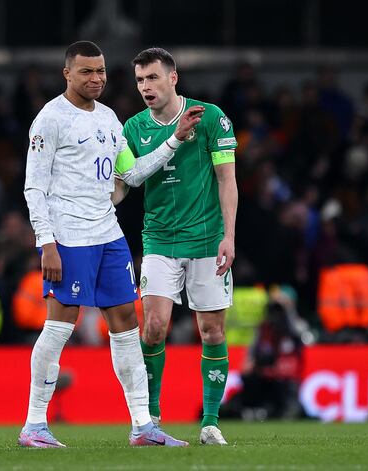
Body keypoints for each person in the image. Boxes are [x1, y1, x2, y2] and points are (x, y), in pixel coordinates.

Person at [19, 41, 202, 448]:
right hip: (68, 237)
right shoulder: (50, 119)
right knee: (58, 327)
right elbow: (34, 185)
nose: (96, 78)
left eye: (100, 71)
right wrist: (45, 242)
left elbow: (132, 174)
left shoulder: (109, 118)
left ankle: (143, 426)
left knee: (125, 325)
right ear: (67, 73)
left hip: (109, 236)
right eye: (86, 71)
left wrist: (173, 140)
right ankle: (34, 424)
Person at [118, 47, 238, 445]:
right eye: (139, 80)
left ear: (173, 78)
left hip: (207, 240)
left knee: (212, 331)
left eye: (152, 78)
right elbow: (124, 183)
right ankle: (149, 419)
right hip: (159, 239)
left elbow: (226, 179)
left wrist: (229, 235)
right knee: (153, 327)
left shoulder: (210, 117)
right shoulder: (133, 128)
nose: (145, 87)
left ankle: (210, 421)